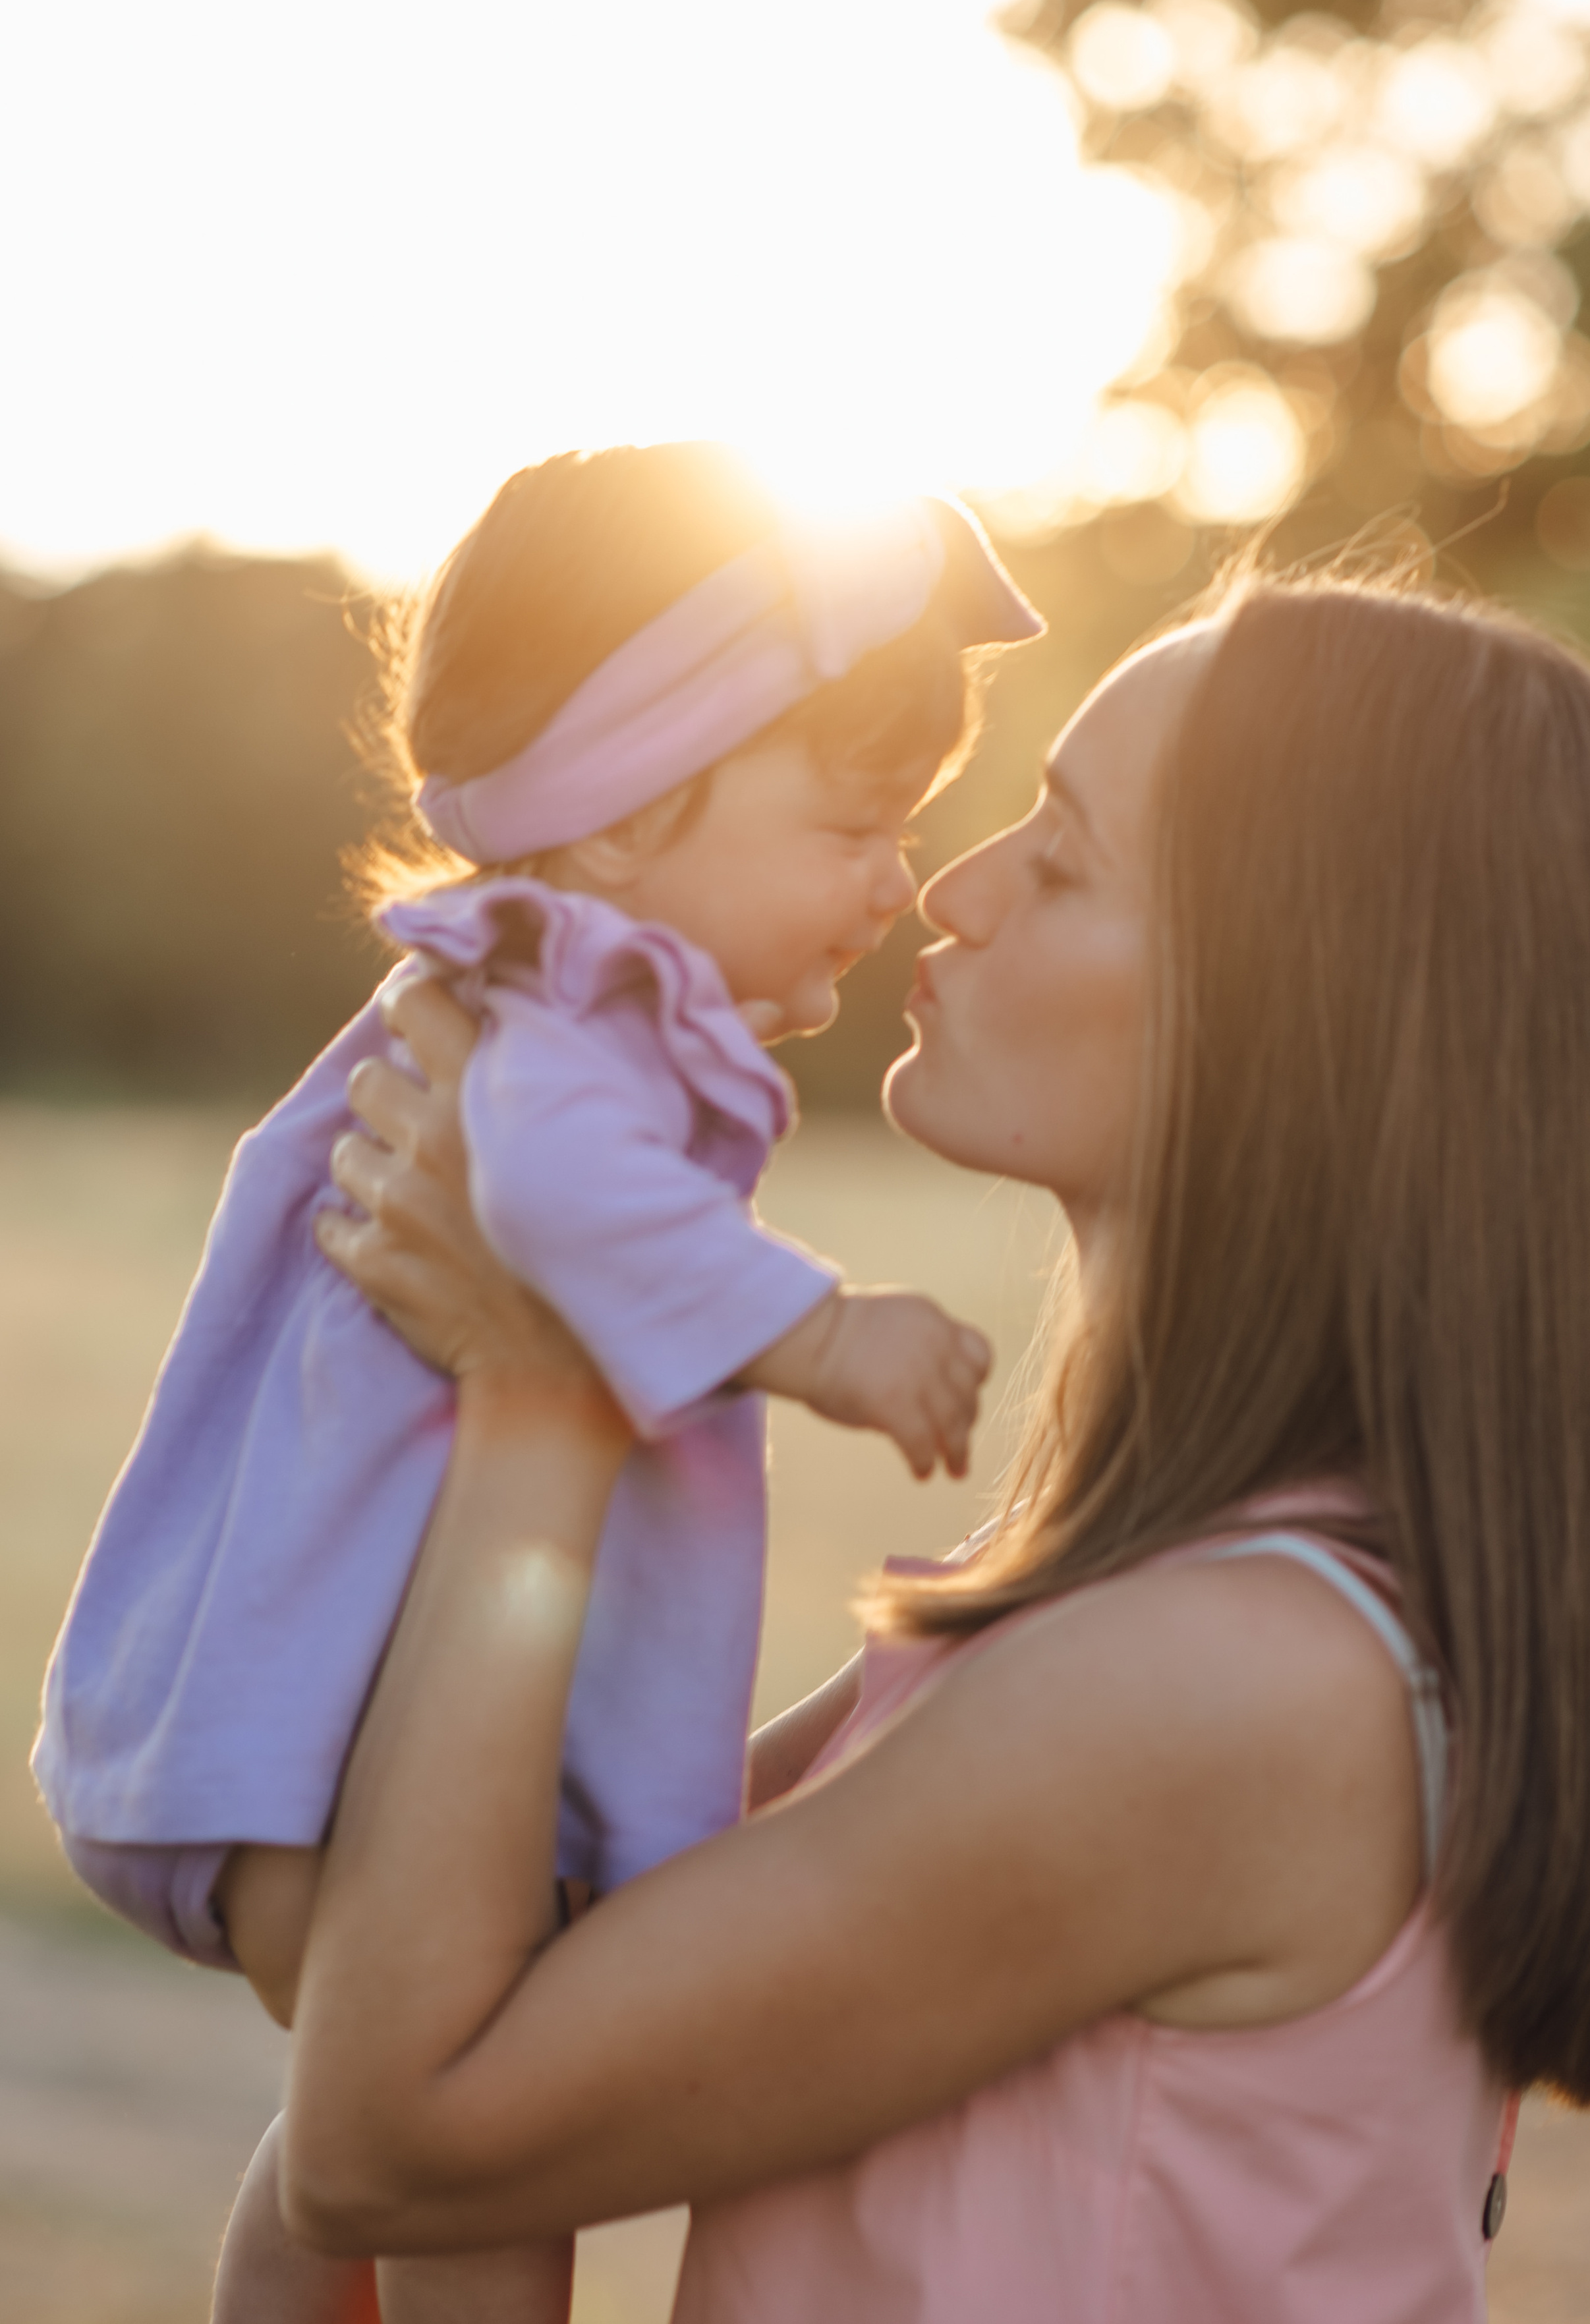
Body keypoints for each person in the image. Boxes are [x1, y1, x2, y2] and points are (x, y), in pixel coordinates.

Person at [252, 580, 1590, 2320]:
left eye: (1064, 864)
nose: (954, 887)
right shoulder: (1146, 1623)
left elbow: (392, 2135)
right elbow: (413, 2064)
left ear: (1301, 1023)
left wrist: (544, 1392)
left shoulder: (1225, 1686)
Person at [33, 443, 1043, 2324]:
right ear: (615, 817)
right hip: (363, 1750)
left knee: (352, 2145)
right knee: (479, 2153)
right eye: (850, 827)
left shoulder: (572, 989)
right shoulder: (562, 1001)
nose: (898, 880)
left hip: (348, 1735)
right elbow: (556, 1195)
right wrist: (827, 1333)